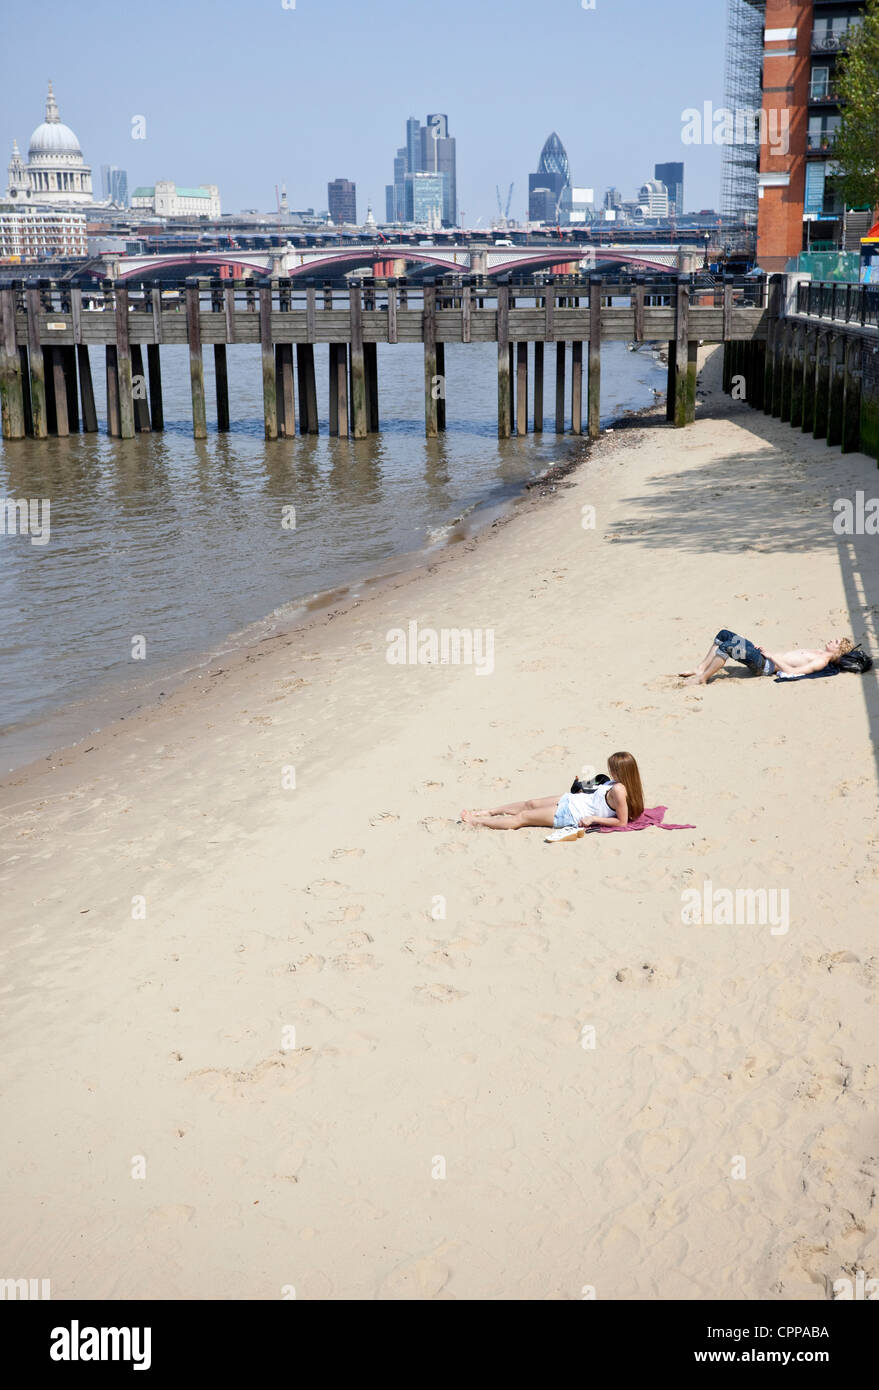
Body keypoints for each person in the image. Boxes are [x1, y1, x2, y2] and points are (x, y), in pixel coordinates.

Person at [461, 751, 645, 834]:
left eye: (612, 768)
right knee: (530, 803)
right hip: (574, 801)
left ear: (622, 771)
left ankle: (478, 821)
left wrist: (594, 819)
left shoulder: (620, 789)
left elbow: (621, 822)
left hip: (573, 813)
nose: (609, 770)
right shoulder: (618, 783)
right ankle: (490, 812)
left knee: (523, 817)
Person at [679, 629, 867, 685]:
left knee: (729, 647)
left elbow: (792, 671)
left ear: (838, 651)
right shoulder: (818, 652)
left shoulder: (821, 661)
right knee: (724, 634)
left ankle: (703, 679)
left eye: (835, 642)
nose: (831, 640)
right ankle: (700, 668)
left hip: (765, 665)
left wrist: (769, 656)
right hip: (764, 656)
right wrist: (765, 651)